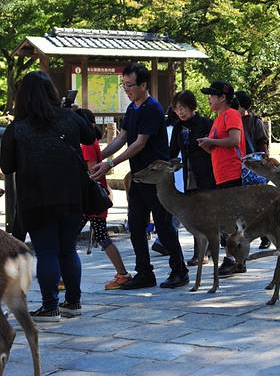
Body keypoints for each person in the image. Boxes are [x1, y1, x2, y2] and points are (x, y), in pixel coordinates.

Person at [0, 71, 94, 321]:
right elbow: (89, 136)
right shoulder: (69, 118)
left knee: (47, 251)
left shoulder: (17, 128)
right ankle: (73, 302)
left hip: (37, 198)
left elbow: (6, 167)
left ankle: (50, 306)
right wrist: (71, 111)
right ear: (52, 92)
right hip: (72, 195)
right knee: (68, 250)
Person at [91, 63, 189, 290]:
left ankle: (179, 270)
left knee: (163, 226)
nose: (126, 89)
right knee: (135, 226)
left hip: (157, 179)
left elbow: (139, 143)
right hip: (138, 178)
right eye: (124, 85)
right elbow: (123, 137)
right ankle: (144, 272)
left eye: (130, 85)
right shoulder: (132, 108)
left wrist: (110, 163)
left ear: (143, 85)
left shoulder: (153, 108)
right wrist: (99, 156)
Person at [75, 108, 131, 290]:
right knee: (101, 236)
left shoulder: (86, 145)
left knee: (69, 237)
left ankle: (64, 277)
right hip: (94, 200)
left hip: (89, 201)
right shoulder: (93, 142)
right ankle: (122, 274)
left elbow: (92, 172)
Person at [197, 80, 247, 277]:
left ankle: (232, 259)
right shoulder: (218, 118)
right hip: (221, 175)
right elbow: (218, 148)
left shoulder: (231, 114)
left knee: (231, 220)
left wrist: (211, 141)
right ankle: (237, 260)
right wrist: (207, 146)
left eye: (212, 95)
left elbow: (235, 140)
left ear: (223, 97)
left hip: (232, 173)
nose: (209, 98)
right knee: (230, 219)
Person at [168, 91, 215, 265]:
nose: (180, 112)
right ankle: (200, 252)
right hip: (188, 176)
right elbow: (172, 151)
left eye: (183, 107)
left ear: (192, 106)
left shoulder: (206, 123)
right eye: (177, 108)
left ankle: (205, 251)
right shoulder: (178, 127)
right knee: (195, 215)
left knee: (207, 214)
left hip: (207, 174)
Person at [236, 89, 271, 249]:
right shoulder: (229, 119)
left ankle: (265, 235)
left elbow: (262, 144)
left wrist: (262, 165)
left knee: (257, 204)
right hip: (237, 167)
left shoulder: (254, 121)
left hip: (252, 168)